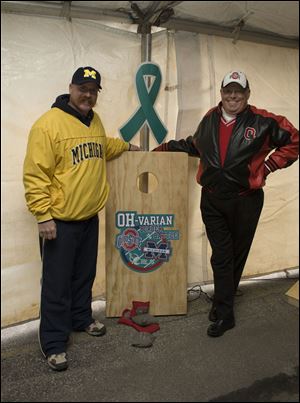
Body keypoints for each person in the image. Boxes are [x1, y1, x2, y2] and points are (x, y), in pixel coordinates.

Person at [153, 70, 299, 337]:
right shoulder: (210, 118)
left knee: (236, 254)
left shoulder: (263, 121)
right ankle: (225, 313)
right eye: (228, 91)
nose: (233, 96)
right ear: (221, 93)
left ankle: (223, 303)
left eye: (238, 91)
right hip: (212, 199)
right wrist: (162, 149)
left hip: (246, 201)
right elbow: (194, 145)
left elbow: (295, 140)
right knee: (221, 255)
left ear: (247, 94)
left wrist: (266, 168)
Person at [23, 66, 140, 371]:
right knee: (56, 283)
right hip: (59, 221)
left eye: (93, 90)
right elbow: (35, 174)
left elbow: (101, 146)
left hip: (89, 216)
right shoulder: (48, 125)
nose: (88, 95)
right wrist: (43, 215)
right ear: (71, 88)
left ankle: (81, 319)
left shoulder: (94, 120)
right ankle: (53, 343)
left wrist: (126, 146)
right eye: (82, 88)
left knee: (83, 276)